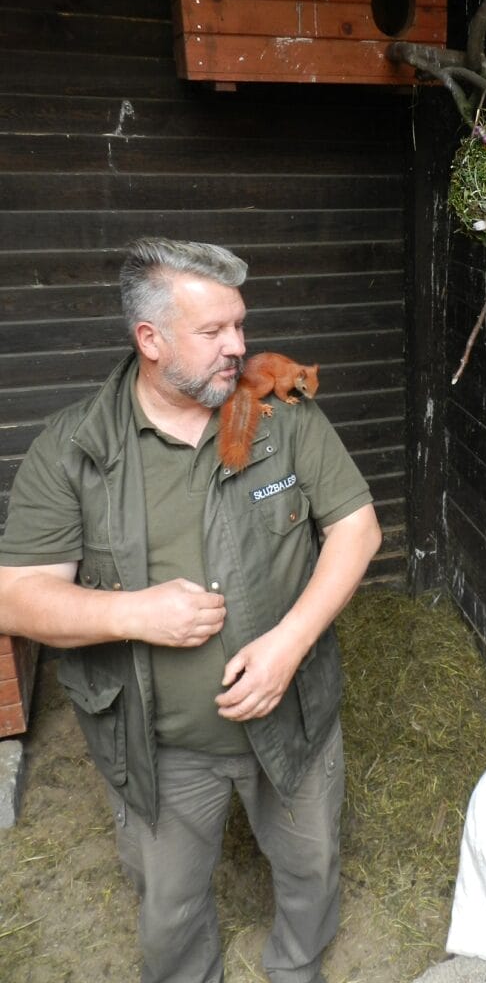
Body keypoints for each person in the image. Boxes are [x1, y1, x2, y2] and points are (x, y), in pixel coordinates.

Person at [0, 237, 382, 983]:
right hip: (159, 744)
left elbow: (356, 529)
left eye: (239, 325)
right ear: (150, 339)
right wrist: (133, 614)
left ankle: (297, 967)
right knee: (169, 904)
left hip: (293, 714)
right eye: (213, 332)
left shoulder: (281, 416)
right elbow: (16, 596)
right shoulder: (76, 448)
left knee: (310, 864)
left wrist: (288, 645)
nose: (238, 348)